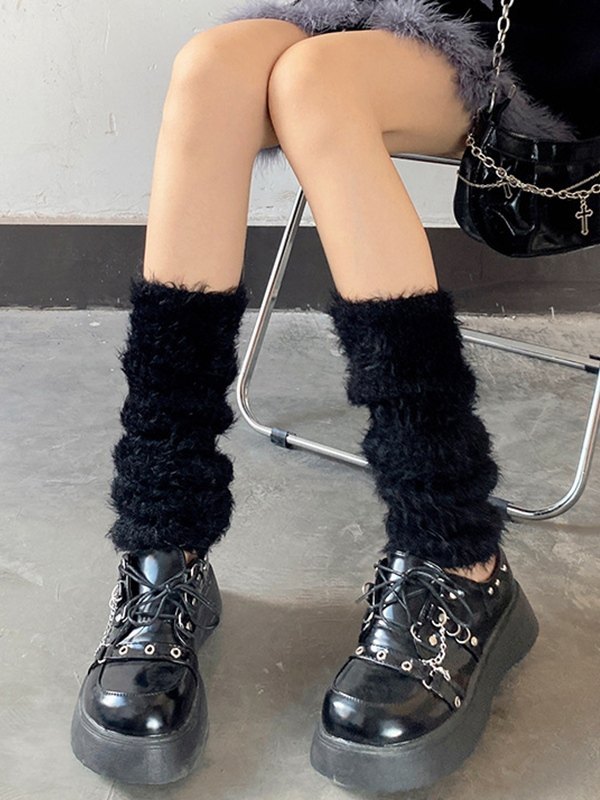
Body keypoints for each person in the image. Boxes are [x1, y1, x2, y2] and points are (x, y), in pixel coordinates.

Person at [69, 0, 594, 792]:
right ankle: (163, 542)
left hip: (543, 45)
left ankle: (459, 557)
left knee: (319, 82)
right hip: (400, 16)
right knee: (212, 68)